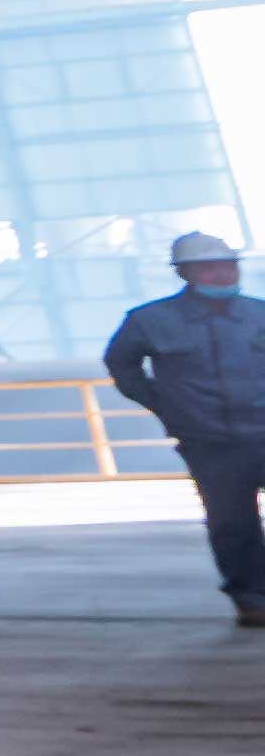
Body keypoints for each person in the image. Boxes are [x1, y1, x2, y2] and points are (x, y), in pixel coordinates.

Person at [105, 227, 265, 626]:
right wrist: (165, 405)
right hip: (210, 442)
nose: (222, 274)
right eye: (208, 268)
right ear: (184, 274)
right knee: (233, 523)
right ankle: (252, 598)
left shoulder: (259, 314)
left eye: (228, 266)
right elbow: (121, 364)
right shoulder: (150, 321)